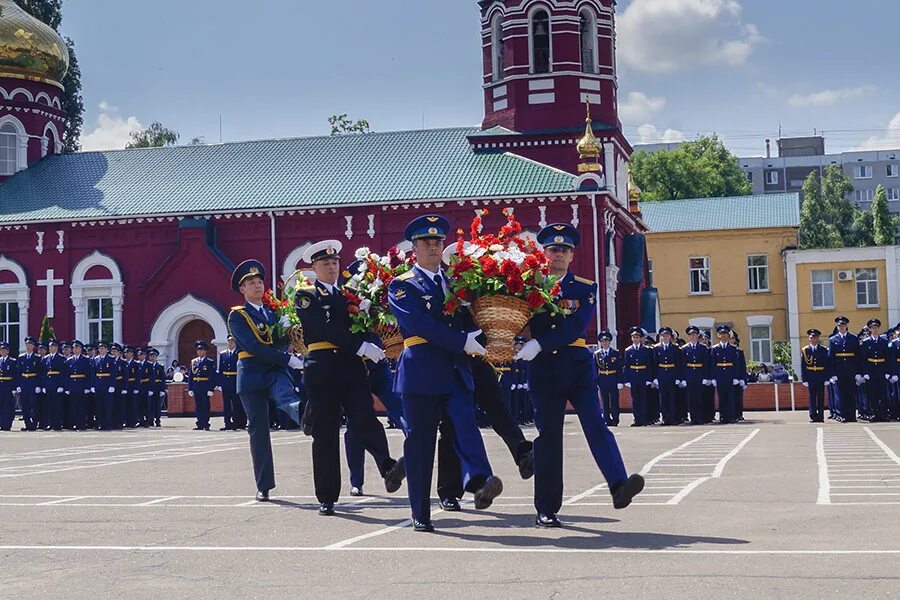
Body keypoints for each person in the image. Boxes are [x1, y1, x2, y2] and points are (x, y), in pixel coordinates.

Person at [514, 223, 644, 528]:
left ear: (572, 256)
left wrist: (540, 341)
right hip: (544, 368)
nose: (558, 255)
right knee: (548, 439)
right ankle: (546, 508)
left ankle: (618, 485)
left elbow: (576, 326)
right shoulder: (528, 286)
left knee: (596, 425)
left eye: (565, 250)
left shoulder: (584, 287)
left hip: (576, 364)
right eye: (553, 249)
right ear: (543, 253)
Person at [389, 215, 501, 532]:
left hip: (454, 369)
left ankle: (480, 482)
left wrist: (491, 331)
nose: (434, 247)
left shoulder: (457, 284)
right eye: (426, 242)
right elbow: (419, 324)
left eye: (438, 242)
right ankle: (420, 512)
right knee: (421, 443)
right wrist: (461, 341)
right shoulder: (402, 285)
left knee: (466, 426)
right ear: (414, 248)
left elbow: (470, 321)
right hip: (421, 371)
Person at [296, 240, 406, 516]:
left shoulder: (350, 296)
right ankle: (327, 495)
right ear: (315, 267)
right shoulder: (307, 295)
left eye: (334, 262)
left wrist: (373, 342)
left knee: (365, 418)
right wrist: (361, 346)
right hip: (322, 368)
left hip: (351, 367)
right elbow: (323, 328)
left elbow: (362, 326)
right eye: (325, 263)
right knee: (326, 432)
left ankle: (388, 467)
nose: (331, 267)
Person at [228, 259, 304, 501]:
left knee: (287, 398)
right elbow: (252, 346)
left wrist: (289, 340)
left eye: (260, 281)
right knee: (258, 431)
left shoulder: (274, 313)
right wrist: (287, 360)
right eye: (251, 283)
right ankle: (264, 485)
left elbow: (279, 341)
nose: (258, 286)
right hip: (251, 372)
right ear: (243, 289)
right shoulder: (237, 316)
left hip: (273, 371)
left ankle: (308, 418)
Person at [860, 318, 890, 422]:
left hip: (881, 368)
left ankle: (883, 414)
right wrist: (865, 372)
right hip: (871, 369)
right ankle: (873, 413)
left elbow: (888, 358)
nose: (875, 329)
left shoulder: (884, 341)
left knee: (883, 393)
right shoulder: (866, 342)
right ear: (870, 329)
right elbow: (863, 359)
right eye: (873, 328)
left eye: (876, 327)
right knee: (872, 393)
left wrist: (887, 372)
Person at [623, 327, 654, 426]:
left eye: (637, 337)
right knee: (635, 399)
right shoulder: (628, 350)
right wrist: (627, 380)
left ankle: (644, 419)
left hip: (643, 376)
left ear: (640, 338)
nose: (635, 339)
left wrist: (649, 379)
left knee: (643, 399)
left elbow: (649, 365)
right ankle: (637, 418)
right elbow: (626, 366)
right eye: (633, 337)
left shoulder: (646, 350)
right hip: (633, 377)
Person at [681, 326, 712, 424]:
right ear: (688, 337)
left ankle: (700, 417)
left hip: (700, 374)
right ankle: (693, 417)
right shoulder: (684, 349)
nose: (692, 337)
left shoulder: (703, 348)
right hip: (690, 375)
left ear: (698, 336)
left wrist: (706, 377)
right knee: (691, 398)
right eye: (690, 335)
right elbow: (682, 364)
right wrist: (683, 378)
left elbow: (707, 364)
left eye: (694, 335)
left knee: (700, 397)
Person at [653, 326, 684, 426]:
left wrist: (678, 378)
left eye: (666, 336)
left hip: (672, 375)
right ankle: (665, 418)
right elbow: (654, 364)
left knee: (672, 398)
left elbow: (679, 364)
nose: (665, 337)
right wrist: (655, 378)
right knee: (663, 398)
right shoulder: (656, 348)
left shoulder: (675, 348)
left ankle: (673, 418)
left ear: (670, 337)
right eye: (663, 336)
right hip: (661, 375)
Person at [710, 325, 740, 424]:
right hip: (719, 375)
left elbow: (736, 364)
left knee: (730, 397)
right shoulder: (715, 349)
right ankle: (723, 416)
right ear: (718, 336)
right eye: (721, 334)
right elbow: (712, 364)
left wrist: (736, 377)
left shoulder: (733, 348)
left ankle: (731, 416)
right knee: (721, 396)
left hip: (729, 375)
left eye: (725, 334)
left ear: (728, 336)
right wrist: (713, 377)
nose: (723, 336)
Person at [801, 329, 830, 423]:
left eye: (815, 337)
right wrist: (804, 379)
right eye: (812, 337)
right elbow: (803, 366)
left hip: (820, 375)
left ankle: (820, 416)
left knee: (821, 396)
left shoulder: (823, 350)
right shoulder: (805, 350)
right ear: (809, 339)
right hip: (810, 376)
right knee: (812, 396)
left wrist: (827, 378)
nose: (814, 339)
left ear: (818, 338)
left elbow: (826, 365)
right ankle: (813, 415)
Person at [217, 335, 245, 431]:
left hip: (235, 381)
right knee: (226, 405)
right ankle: (227, 423)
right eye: (229, 341)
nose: (230, 343)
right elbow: (220, 370)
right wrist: (220, 384)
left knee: (236, 404)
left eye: (232, 341)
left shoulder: (239, 353)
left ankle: (236, 423)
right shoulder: (223, 354)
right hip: (226, 382)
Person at [65, 340, 94, 431]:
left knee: (81, 407)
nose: (75, 349)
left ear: (81, 349)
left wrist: (87, 387)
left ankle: (81, 424)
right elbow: (66, 375)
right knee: (73, 407)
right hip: (72, 386)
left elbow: (89, 374)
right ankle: (75, 423)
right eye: (74, 348)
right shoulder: (69, 360)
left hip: (81, 385)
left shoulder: (86, 360)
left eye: (77, 347)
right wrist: (67, 387)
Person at [594, 331, 622, 427]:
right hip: (602, 379)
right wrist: (596, 381)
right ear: (600, 343)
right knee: (604, 400)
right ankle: (606, 419)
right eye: (603, 341)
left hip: (613, 378)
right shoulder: (597, 354)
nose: (605, 343)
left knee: (614, 400)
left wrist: (620, 381)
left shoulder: (615, 353)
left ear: (610, 342)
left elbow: (619, 368)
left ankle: (615, 419)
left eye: (606, 341)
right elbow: (594, 369)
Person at [187, 341, 216, 431]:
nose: (199, 352)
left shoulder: (209, 362)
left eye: (202, 350)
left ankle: (206, 423)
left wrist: (211, 388)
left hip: (205, 386)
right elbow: (191, 376)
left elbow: (212, 376)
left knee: (205, 406)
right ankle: (199, 423)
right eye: (198, 350)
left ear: (205, 351)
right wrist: (190, 388)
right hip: (196, 386)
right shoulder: (194, 362)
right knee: (198, 406)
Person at [17, 337, 41, 431]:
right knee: (25, 405)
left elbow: (40, 373)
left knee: (34, 405)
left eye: (30, 345)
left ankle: (34, 424)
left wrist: (38, 385)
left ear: (33, 346)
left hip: (33, 383)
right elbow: (18, 372)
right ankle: (28, 424)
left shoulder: (37, 358)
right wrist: (18, 385)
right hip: (24, 383)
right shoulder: (21, 357)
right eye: (27, 345)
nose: (28, 346)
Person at [93, 341, 117, 431]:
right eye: (100, 348)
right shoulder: (96, 359)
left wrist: (112, 385)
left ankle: (107, 424)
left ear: (106, 350)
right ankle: (100, 423)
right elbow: (93, 373)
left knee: (107, 406)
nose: (101, 350)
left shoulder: (111, 359)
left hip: (107, 385)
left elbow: (113, 373)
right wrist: (93, 385)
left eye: (103, 348)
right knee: (99, 406)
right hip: (98, 385)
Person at [43, 340, 66, 431]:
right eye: (50, 347)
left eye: (52, 347)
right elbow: (44, 373)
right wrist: (44, 385)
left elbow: (63, 373)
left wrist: (61, 385)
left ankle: (57, 423)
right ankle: (50, 423)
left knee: (57, 406)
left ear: (56, 347)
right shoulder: (46, 358)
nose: (51, 348)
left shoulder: (61, 358)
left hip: (57, 384)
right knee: (49, 405)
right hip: (49, 384)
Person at [0, 342, 19, 431]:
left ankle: (7, 424)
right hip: (1, 386)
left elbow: (15, 375)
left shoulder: (12, 361)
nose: (3, 351)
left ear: (8, 351)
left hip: (8, 386)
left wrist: (14, 388)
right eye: (1, 350)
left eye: (5, 350)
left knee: (8, 407)